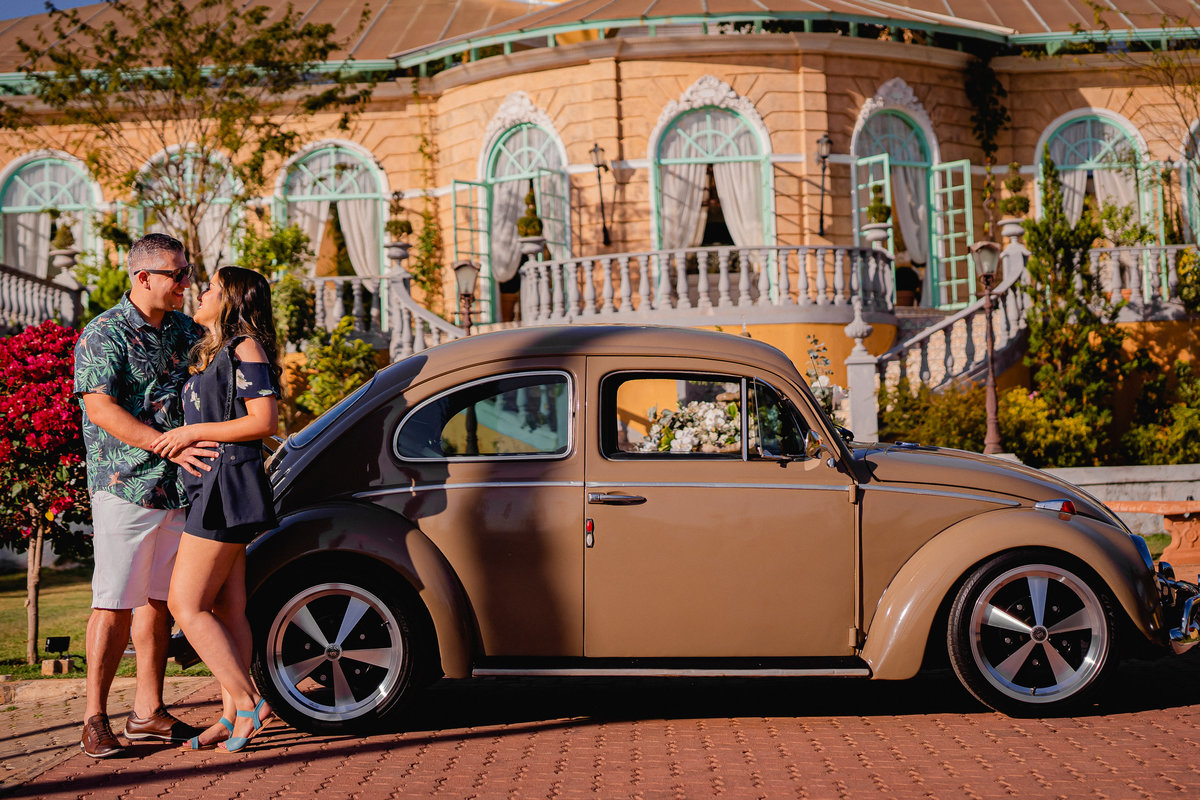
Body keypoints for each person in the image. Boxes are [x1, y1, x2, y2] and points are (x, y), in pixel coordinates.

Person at [73, 233, 214, 758]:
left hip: (178, 487)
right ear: (143, 277)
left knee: (158, 600)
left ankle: (147, 712)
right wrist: (163, 444)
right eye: (177, 274)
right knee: (113, 602)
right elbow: (99, 407)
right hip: (125, 484)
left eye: (187, 273)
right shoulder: (104, 332)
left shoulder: (186, 330)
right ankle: (94, 717)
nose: (185, 283)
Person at [153, 266, 281, 752]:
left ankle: (249, 701)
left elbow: (264, 421)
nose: (201, 293)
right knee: (228, 607)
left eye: (211, 288)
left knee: (185, 605)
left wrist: (192, 432)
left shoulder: (245, 347)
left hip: (226, 488)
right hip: (211, 487)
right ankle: (231, 715)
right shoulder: (213, 351)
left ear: (232, 300)